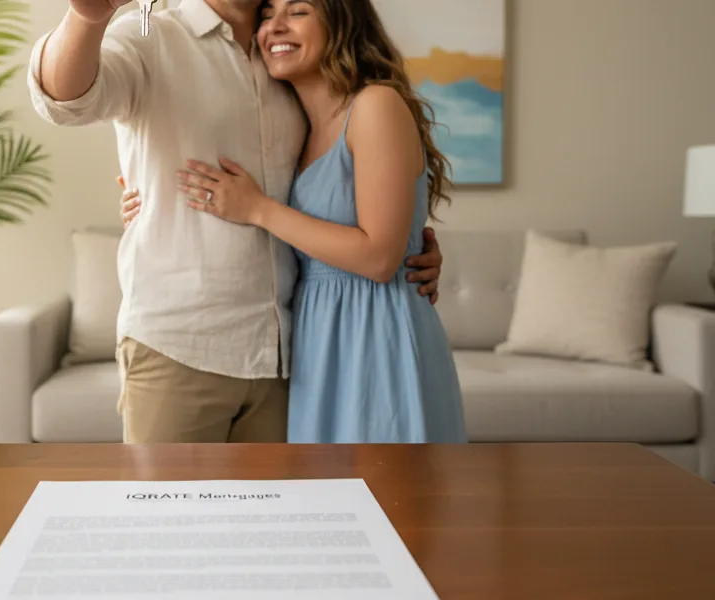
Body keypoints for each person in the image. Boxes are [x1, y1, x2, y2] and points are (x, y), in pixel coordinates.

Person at [27, 0, 445, 444]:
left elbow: (350, 203)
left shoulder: (287, 66)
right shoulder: (150, 34)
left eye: (296, 12)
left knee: (305, 510)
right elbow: (64, 99)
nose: (278, 24)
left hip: (286, 356)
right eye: (273, 16)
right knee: (169, 513)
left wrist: (406, 248)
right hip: (179, 346)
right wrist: (87, 17)